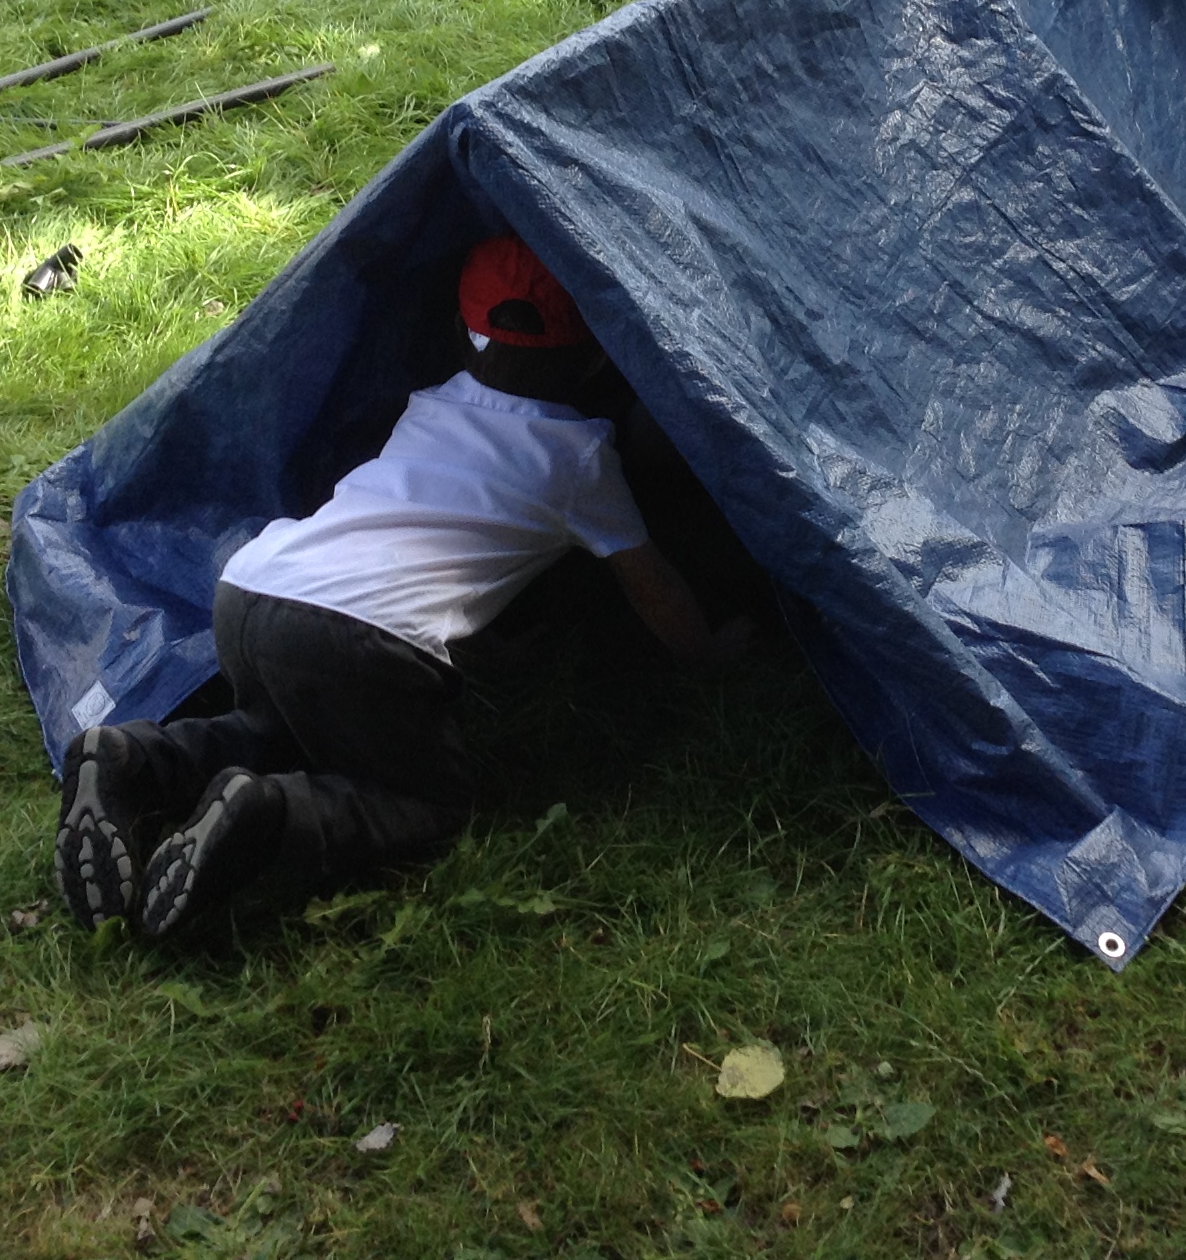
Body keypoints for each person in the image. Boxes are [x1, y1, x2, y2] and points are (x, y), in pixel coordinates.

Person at [55, 235, 750, 939]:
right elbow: (650, 583)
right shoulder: (579, 460)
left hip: (255, 590)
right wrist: (705, 653)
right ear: (601, 353)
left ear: (459, 333)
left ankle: (135, 758)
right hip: (358, 637)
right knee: (423, 798)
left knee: (285, 731)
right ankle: (267, 814)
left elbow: (430, 535)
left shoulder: (431, 404)